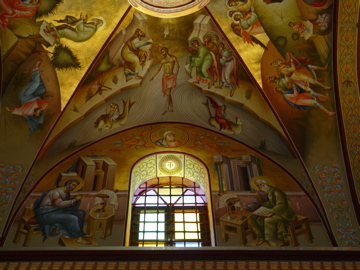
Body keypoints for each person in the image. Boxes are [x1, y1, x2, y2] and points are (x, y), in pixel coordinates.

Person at [33, 177, 91, 245]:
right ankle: (78, 237)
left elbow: (66, 204)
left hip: (57, 211)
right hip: (46, 214)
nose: (73, 187)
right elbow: (59, 204)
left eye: (75, 186)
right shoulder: (55, 192)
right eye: (72, 185)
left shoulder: (67, 193)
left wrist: (76, 198)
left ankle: (80, 232)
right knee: (72, 218)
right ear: (68, 183)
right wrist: (74, 200)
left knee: (81, 213)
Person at [247, 178, 297, 247]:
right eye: (258, 186)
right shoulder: (269, 192)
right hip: (274, 211)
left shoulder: (276, 192)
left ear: (266, 184)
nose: (260, 187)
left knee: (268, 220)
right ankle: (261, 237)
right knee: (251, 219)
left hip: (284, 213)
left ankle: (270, 239)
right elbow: (272, 203)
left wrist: (269, 211)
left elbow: (281, 205)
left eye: (260, 185)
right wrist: (263, 207)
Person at [4, 60, 49, 133]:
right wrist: (41, 108)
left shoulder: (29, 112)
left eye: (36, 114)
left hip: (24, 96)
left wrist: (9, 110)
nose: (37, 112)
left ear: (33, 114)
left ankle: (36, 69)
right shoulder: (39, 105)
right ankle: (36, 71)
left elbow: (20, 111)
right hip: (30, 95)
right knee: (38, 85)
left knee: (36, 83)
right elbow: (46, 103)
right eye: (38, 114)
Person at [151, 47, 179, 115]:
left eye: (163, 51)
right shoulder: (163, 60)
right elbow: (158, 69)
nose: (163, 53)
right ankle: (171, 108)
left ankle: (167, 109)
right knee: (168, 94)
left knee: (168, 93)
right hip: (164, 78)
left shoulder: (173, 58)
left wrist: (176, 75)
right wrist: (153, 76)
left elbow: (178, 66)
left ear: (166, 51)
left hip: (170, 77)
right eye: (162, 52)